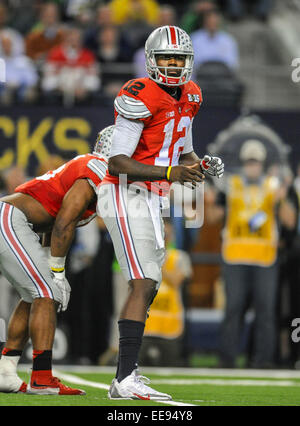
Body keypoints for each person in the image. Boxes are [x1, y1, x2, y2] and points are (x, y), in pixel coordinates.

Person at [98, 24, 224, 400]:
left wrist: (200, 166)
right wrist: (172, 172)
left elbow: (182, 151)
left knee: (150, 282)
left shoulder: (192, 95)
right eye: (167, 57)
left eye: (179, 58)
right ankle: (124, 378)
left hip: (154, 195)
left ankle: (126, 375)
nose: (173, 63)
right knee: (144, 280)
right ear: (151, 60)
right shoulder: (138, 93)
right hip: (124, 190)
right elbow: (117, 161)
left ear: (189, 61)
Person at [0, 125, 113, 395]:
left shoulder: (92, 170)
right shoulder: (98, 169)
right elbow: (63, 223)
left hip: (16, 223)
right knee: (47, 292)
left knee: (34, 295)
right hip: (9, 220)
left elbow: (51, 221)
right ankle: (42, 377)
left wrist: (51, 268)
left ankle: (5, 369)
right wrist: (58, 273)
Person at [218, 139, 289, 368]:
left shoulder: (272, 186)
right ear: (243, 163)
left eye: (255, 162)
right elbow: (212, 215)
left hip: (264, 258)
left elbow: (289, 220)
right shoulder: (232, 184)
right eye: (248, 162)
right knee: (233, 309)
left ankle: (264, 360)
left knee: (266, 313)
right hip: (235, 256)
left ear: (262, 164)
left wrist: (284, 196)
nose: (252, 166)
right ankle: (227, 360)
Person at [139, 219, 193, 367]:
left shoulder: (180, 257)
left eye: (166, 235)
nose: (163, 239)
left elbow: (176, 280)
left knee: (171, 367)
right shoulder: (141, 257)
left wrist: (157, 261)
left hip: (169, 329)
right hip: (145, 329)